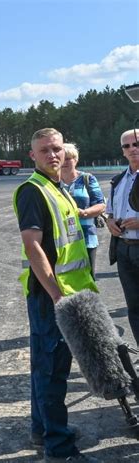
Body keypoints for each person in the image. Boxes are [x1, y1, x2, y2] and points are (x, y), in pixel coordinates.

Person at [13, 128, 98, 463]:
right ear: (32, 156)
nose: (53, 155)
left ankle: (43, 430)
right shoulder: (33, 190)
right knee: (52, 372)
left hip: (63, 293)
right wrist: (57, 296)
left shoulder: (57, 189)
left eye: (57, 149)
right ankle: (59, 448)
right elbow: (32, 246)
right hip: (53, 297)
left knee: (44, 368)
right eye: (45, 150)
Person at [106, 129, 139, 346]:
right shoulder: (118, 181)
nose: (132, 149)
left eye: (136, 144)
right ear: (122, 151)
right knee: (135, 308)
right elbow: (110, 212)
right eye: (126, 146)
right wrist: (110, 222)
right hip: (124, 249)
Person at [60, 143, 105, 279]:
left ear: (76, 160)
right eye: (62, 158)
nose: (64, 162)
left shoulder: (87, 179)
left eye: (68, 158)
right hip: (60, 241)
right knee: (63, 281)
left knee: (87, 280)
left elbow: (101, 205)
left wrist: (83, 213)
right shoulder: (52, 182)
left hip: (86, 239)